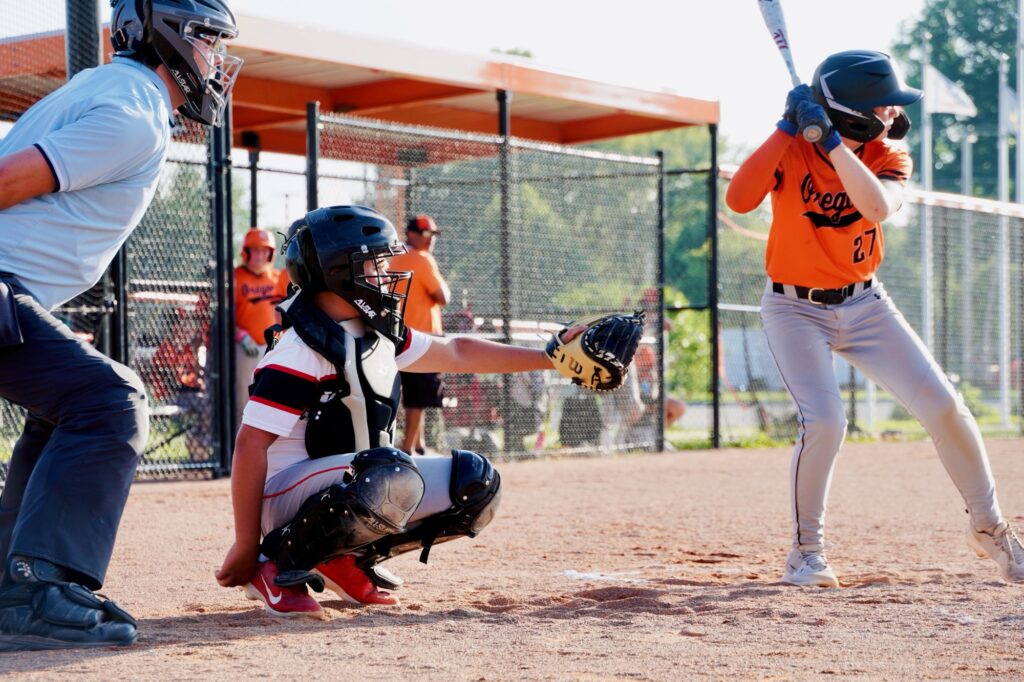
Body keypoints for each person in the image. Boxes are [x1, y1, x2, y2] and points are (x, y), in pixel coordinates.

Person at [726, 50, 1024, 587]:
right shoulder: (792, 148)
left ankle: (990, 529)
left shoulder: (889, 156)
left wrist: (833, 142)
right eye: (883, 104)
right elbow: (739, 198)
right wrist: (783, 128)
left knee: (946, 407)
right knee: (826, 421)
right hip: (794, 308)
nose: (892, 111)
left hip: (865, 304)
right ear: (852, 111)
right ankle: (806, 553)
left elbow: (878, 208)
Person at [0, 0, 242, 650]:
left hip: (10, 287)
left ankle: (15, 582)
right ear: (171, 36)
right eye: (210, 42)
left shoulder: (105, 87)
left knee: (69, 406)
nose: (217, 62)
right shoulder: (135, 113)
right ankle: (35, 588)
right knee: (110, 399)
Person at [214, 205, 584, 618]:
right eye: (374, 263)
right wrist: (246, 544)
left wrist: (552, 355)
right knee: (388, 474)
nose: (387, 273)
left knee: (476, 485)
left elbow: (457, 350)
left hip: (343, 482)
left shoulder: (375, 330)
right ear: (337, 271)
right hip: (281, 496)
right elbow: (249, 446)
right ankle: (275, 565)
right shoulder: (300, 350)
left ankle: (340, 557)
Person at [389, 215, 450, 455]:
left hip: (395, 333)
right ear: (411, 234)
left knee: (408, 393)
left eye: (433, 236)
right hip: (422, 336)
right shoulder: (422, 258)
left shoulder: (393, 256)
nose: (430, 241)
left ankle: (417, 444)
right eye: (426, 235)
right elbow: (442, 296)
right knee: (418, 398)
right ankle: (406, 452)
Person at [234, 227, 290, 428]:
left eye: (264, 250)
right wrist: (239, 335)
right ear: (246, 252)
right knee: (246, 399)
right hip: (245, 348)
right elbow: (223, 317)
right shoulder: (235, 277)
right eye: (255, 250)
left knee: (273, 399)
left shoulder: (277, 278)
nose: (259, 255)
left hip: (274, 348)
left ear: (271, 254)